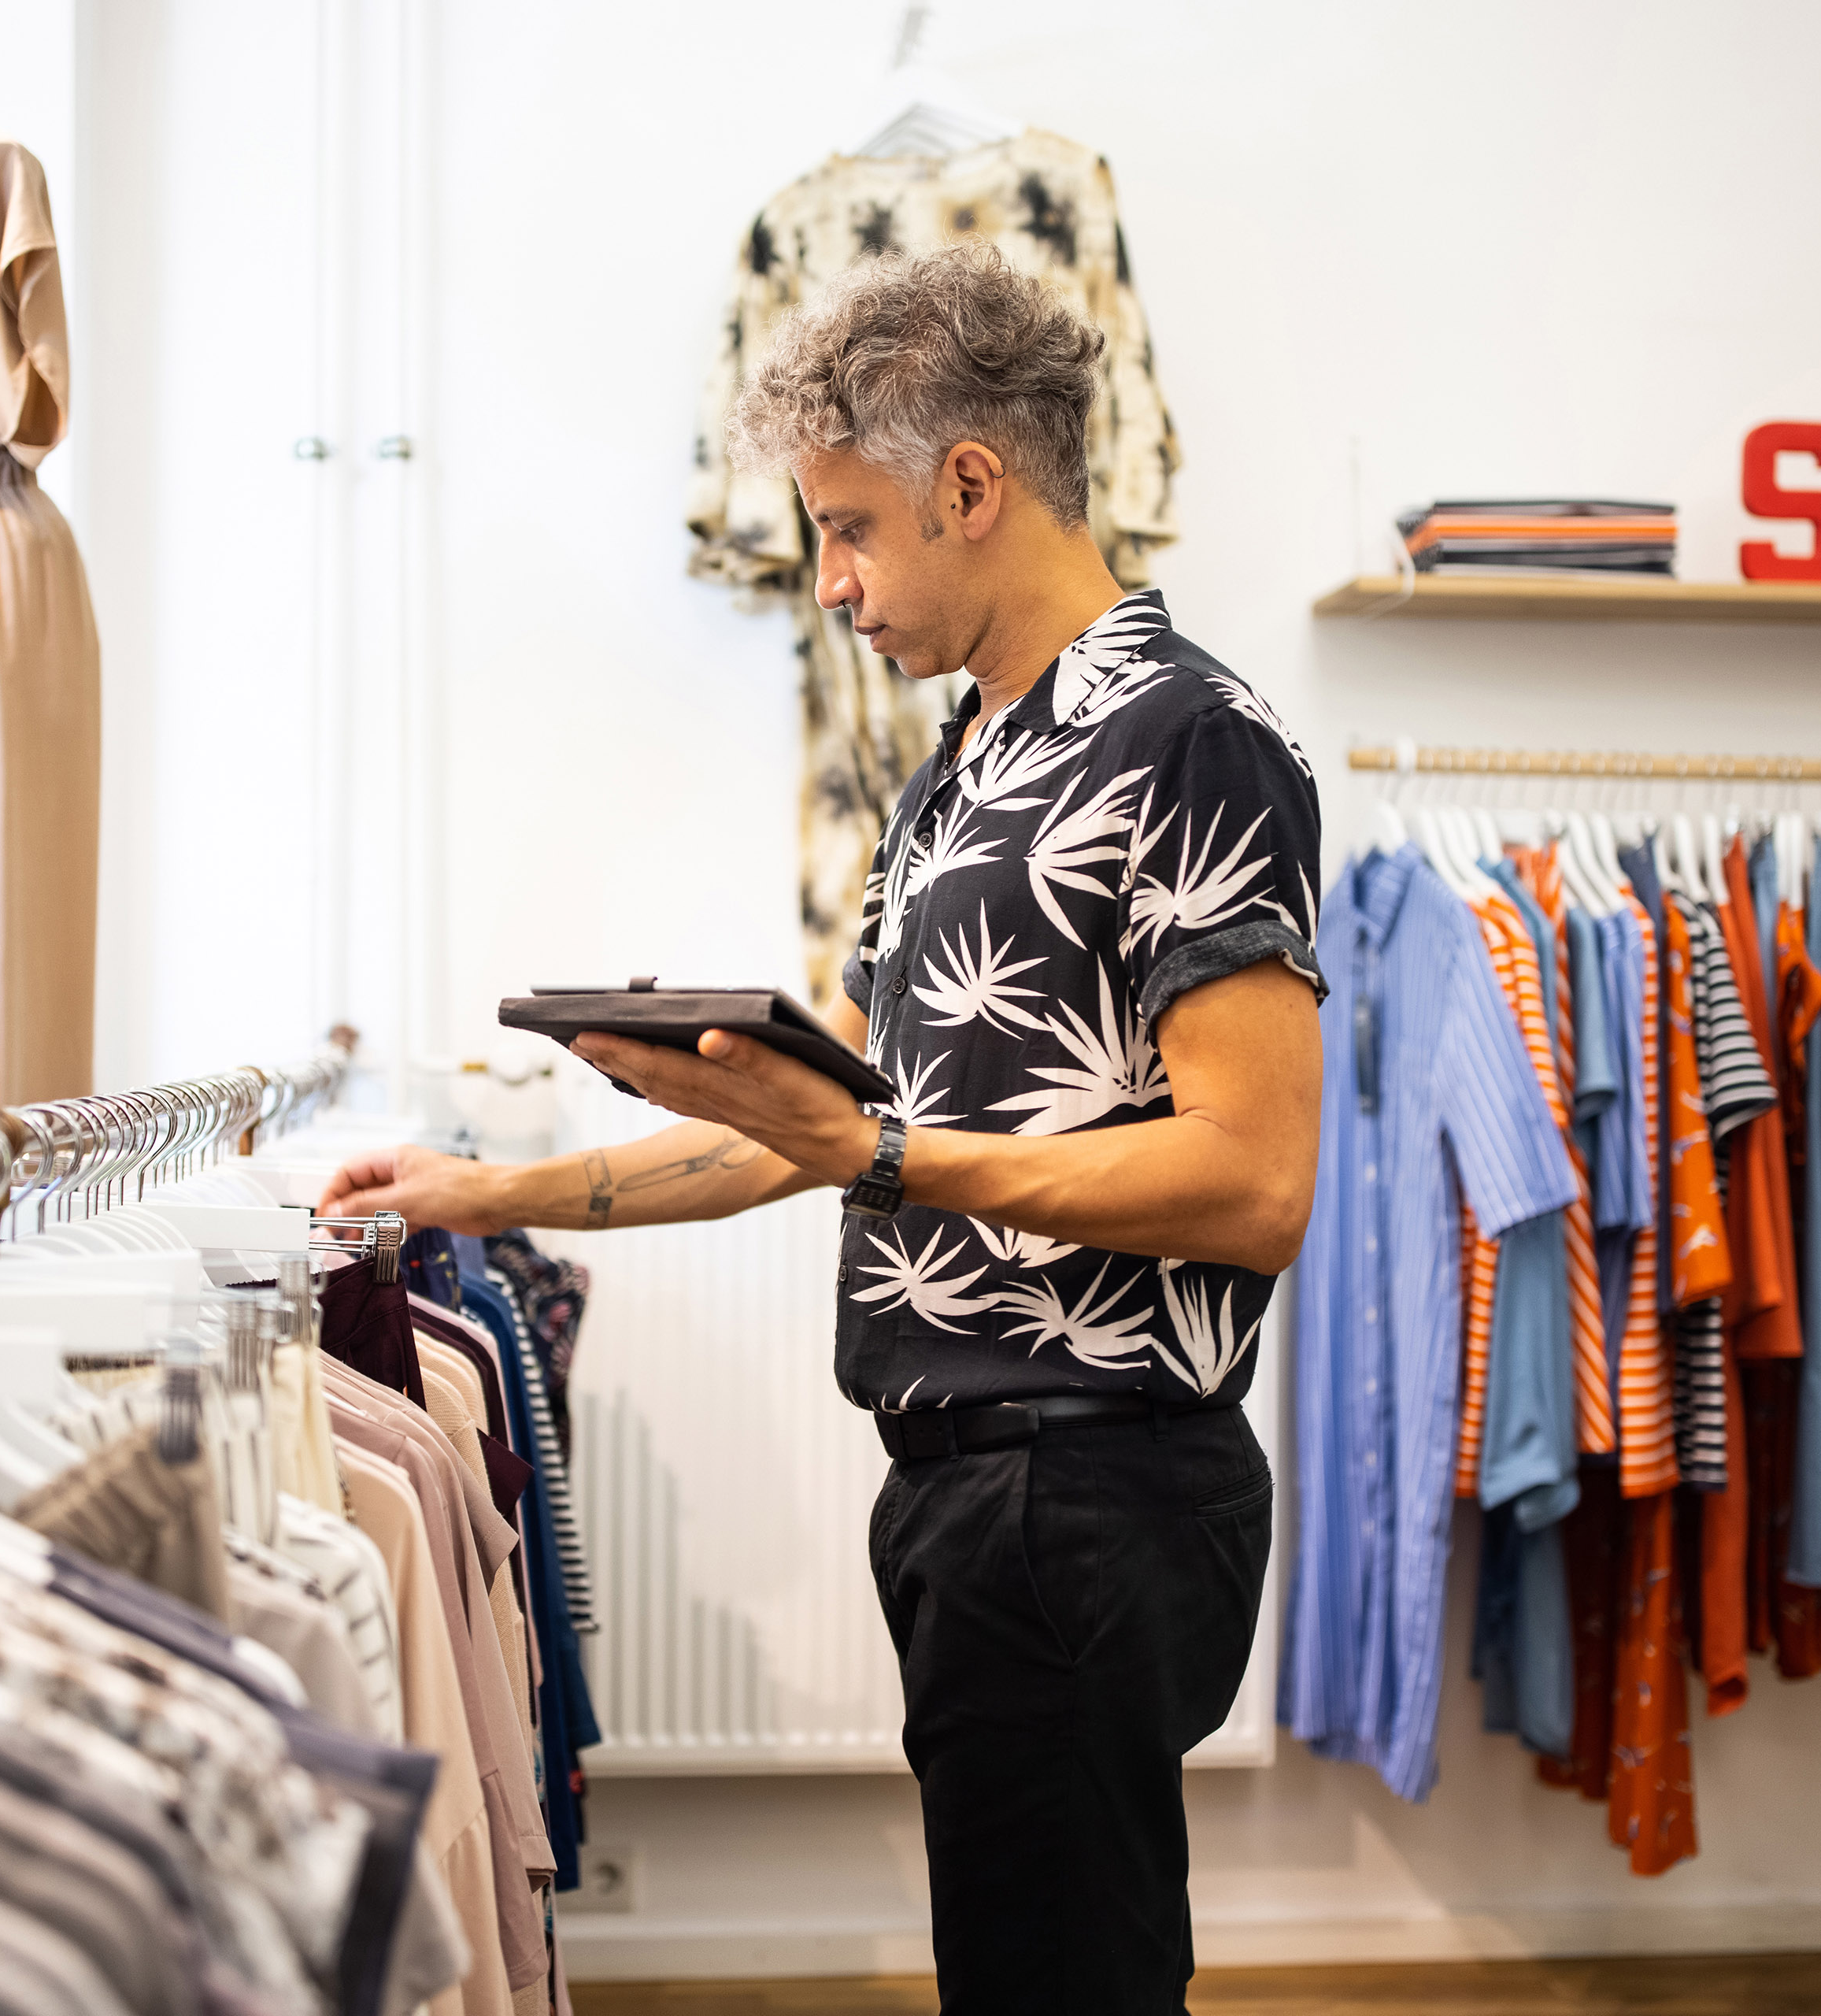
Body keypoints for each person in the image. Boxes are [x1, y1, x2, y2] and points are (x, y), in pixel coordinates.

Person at [321, 239, 1323, 2015]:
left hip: (1088, 1482)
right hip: (973, 1489)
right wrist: (489, 1190)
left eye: (850, 527)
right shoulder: (959, 768)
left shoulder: (1190, 741)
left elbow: (1254, 1182)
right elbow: (821, 1121)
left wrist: (879, 1153)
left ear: (969, 483)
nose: (835, 585)